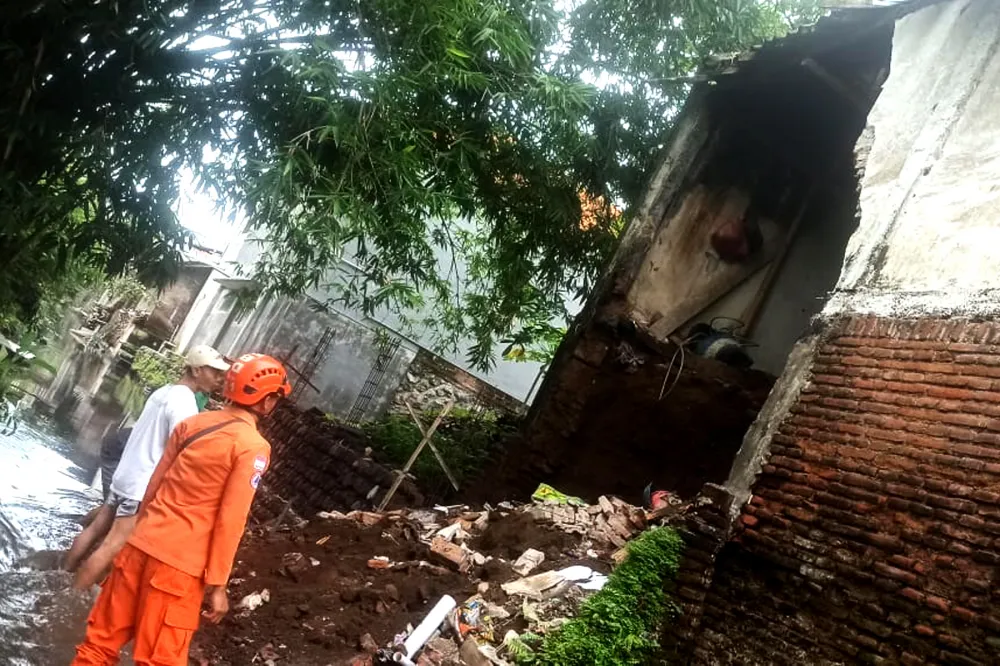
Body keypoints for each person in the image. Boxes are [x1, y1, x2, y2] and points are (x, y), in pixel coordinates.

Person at [71, 353, 291, 666]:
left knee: (97, 646)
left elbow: (154, 488)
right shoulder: (252, 447)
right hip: (178, 570)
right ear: (267, 401)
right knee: (159, 659)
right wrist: (218, 584)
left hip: (139, 547)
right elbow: (231, 520)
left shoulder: (192, 425)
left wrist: (140, 533)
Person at [62, 345, 230, 588]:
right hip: (140, 485)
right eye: (214, 372)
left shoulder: (164, 391)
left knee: (96, 530)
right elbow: (183, 448)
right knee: (112, 545)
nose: (219, 378)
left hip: (124, 476)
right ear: (196, 370)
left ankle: (63, 573)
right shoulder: (185, 402)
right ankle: (70, 596)